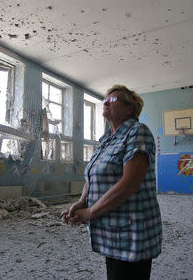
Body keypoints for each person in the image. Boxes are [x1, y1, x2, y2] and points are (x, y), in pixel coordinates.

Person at [61, 85, 162, 280]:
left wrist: (90, 212)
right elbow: (93, 175)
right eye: (105, 100)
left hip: (132, 231)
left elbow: (129, 183)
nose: (106, 102)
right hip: (110, 226)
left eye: (113, 100)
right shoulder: (106, 140)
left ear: (130, 108)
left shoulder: (138, 132)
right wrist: (82, 202)